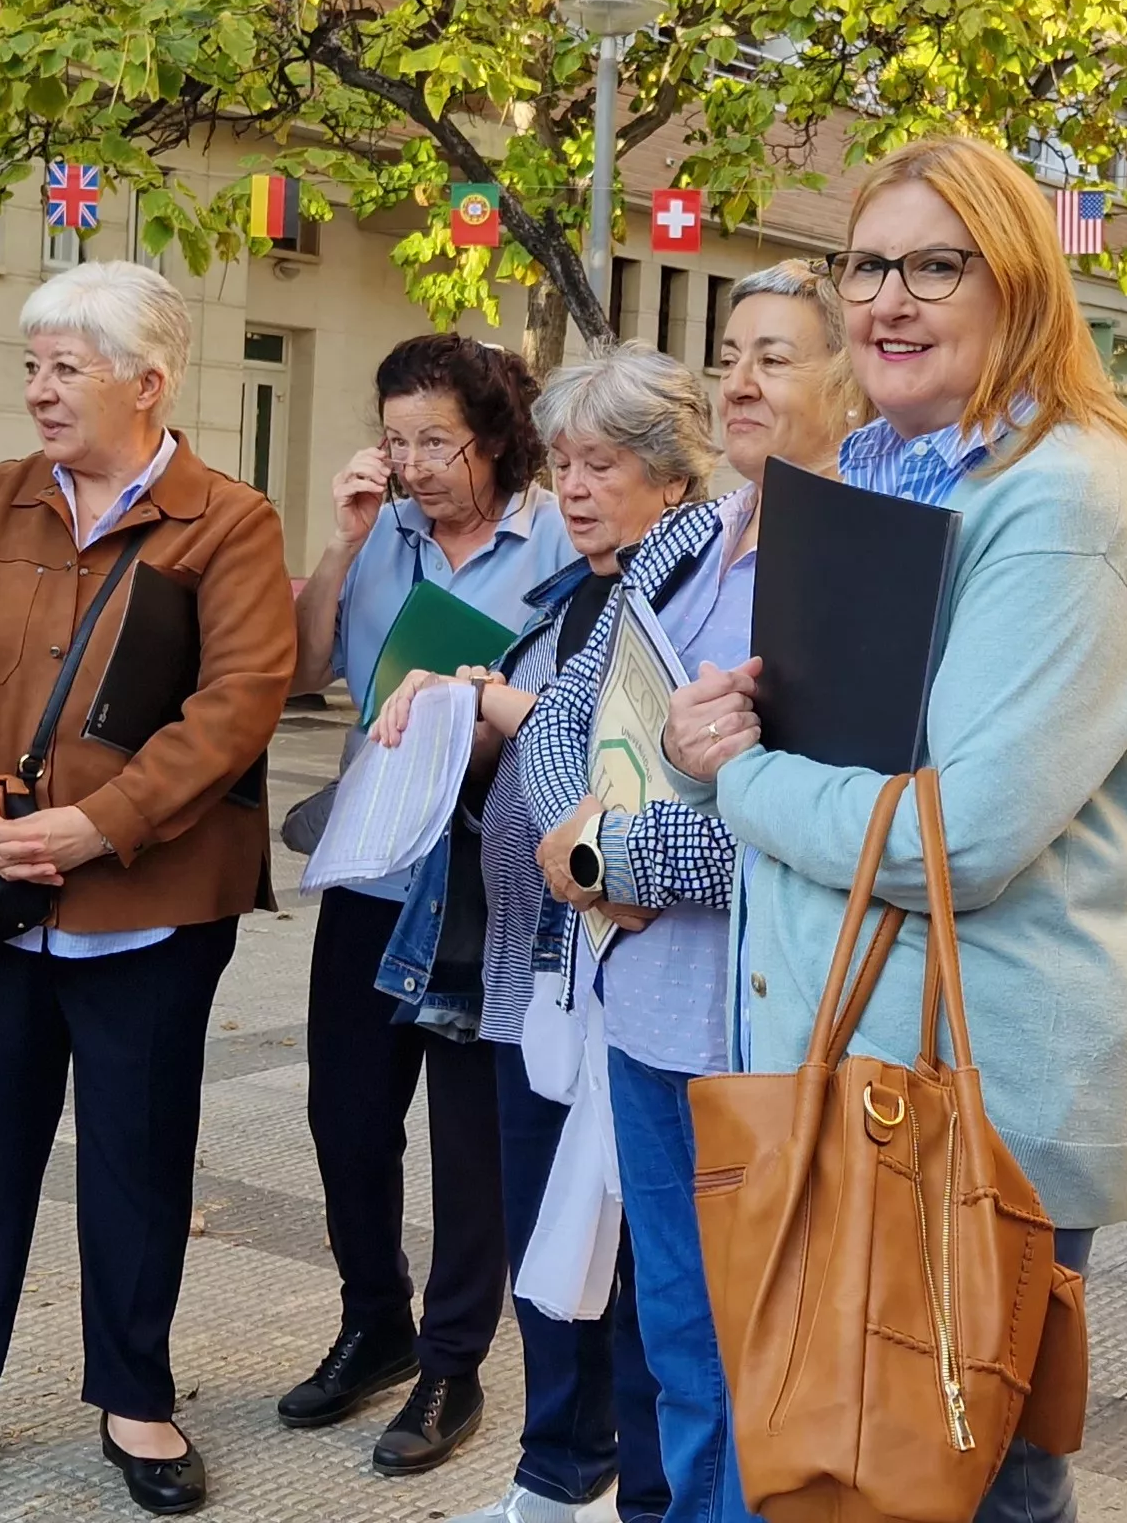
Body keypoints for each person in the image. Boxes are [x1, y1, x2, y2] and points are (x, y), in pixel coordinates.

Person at [662, 131, 1127, 1523]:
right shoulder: (890, 478)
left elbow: (954, 839)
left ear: (1015, 286)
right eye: (866, 266)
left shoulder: (1065, 499)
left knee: (956, 1482)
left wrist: (737, 773)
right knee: (854, 1475)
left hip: (967, 1101)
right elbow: (849, 745)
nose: (887, 300)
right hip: (849, 1059)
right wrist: (738, 721)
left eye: (933, 267)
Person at [0, 262, 295, 1518]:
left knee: (136, 1160)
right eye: (31, 365)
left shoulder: (227, 521)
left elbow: (237, 706)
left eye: (66, 368)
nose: (38, 391)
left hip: (147, 909)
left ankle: (135, 1400)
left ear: (147, 383)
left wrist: (99, 826)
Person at [527, 264, 866, 1523]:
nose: (737, 380)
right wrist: (570, 837)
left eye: (774, 357)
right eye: (728, 352)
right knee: (676, 1354)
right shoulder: (687, 536)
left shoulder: (860, 559)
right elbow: (568, 710)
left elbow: (821, 822)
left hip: (764, 1029)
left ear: (846, 377)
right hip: (649, 1012)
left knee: (759, 1368)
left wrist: (617, 866)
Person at [377, 346, 717, 1523]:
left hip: (633, 969)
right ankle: (553, 1472)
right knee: (550, 1241)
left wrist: (506, 711)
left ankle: (637, 1489)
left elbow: (654, 778)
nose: (571, 488)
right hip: (536, 973)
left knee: (639, 1269)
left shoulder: (691, 594)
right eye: (562, 461)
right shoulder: (580, 594)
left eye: (602, 464)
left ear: (673, 480)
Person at [279, 334, 575, 1470]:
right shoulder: (381, 532)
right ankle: (375, 1325)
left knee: (470, 1142)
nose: (412, 466)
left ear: (495, 438)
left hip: (480, 880)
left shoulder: (554, 542)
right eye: (396, 441)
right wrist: (343, 544)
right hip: (375, 863)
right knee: (345, 1120)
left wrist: (488, 702)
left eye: (436, 444)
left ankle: (452, 1365)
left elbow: (576, 712)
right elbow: (304, 673)